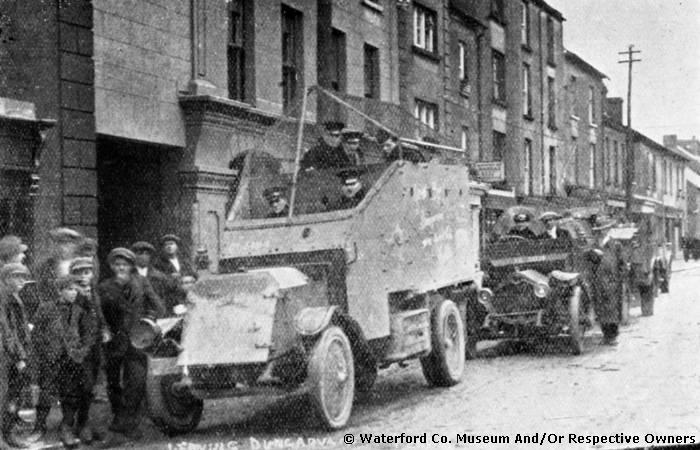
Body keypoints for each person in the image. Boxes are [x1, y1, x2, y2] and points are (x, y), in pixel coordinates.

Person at [98, 248, 165, 445]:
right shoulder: (104, 287)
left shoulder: (141, 282)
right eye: (117, 265)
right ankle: (119, 418)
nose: (121, 268)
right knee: (113, 383)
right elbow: (98, 312)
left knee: (135, 382)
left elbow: (158, 306)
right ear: (111, 266)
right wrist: (104, 329)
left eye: (125, 265)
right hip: (114, 341)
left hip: (138, 340)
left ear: (131, 266)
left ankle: (129, 423)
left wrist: (148, 321)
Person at [33, 275, 98, 447]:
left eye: (76, 289)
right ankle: (41, 427)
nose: (74, 293)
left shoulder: (80, 310)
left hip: (75, 358)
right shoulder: (46, 309)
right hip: (52, 358)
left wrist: (81, 352)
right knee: (47, 392)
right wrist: (46, 353)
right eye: (69, 289)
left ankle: (79, 424)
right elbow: (37, 335)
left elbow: (88, 335)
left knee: (84, 389)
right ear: (59, 290)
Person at [0, 263, 39, 448]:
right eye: (17, 277)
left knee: (12, 396)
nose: (22, 281)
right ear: (6, 278)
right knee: (3, 395)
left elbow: (19, 328)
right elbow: (6, 331)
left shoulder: (14, 296)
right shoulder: (2, 297)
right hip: (5, 354)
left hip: (13, 353)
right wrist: (19, 357)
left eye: (24, 277)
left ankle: (9, 434)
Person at [585, 215, 624, 345]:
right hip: (598, 281)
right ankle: (606, 335)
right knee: (601, 309)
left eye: (605, 229)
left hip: (612, 282)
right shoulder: (594, 245)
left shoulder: (615, 245)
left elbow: (622, 264)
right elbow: (589, 263)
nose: (602, 231)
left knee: (612, 309)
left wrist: (619, 280)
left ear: (609, 230)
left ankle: (613, 336)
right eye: (600, 229)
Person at [32, 228, 83, 318]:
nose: (63, 248)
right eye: (60, 244)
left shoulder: (81, 265)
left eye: (68, 244)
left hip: (76, 312)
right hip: (51, 312)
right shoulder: (44, 267)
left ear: (74, 246)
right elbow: (40, 291)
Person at [131, 241, 182, 315]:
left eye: (147, 254)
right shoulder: (128, 276)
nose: (144, 256)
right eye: (140, 253)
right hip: (134, 317)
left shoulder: (160, 276)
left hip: (157, 317)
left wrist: (176, 306)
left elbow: (173, 291)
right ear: (134, 256)